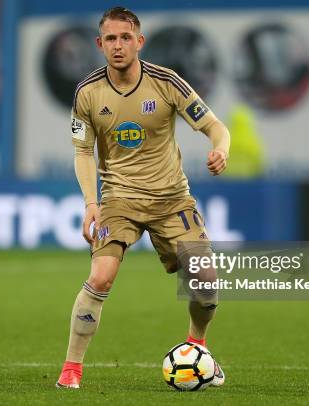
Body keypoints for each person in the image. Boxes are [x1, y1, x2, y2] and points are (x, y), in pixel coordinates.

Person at [57, 7, 230, 389]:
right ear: (99, 44)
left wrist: (222, 149)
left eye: (125, 38)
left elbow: (215, 126)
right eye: (111, 39)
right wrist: (91, 202)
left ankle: (197, 349)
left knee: (205, 283)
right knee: (100, 277)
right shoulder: (87, 93)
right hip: (119, 200)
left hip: (172, 200)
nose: (118, 46)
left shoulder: (167, 82)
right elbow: (83, 152)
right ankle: (71, 370)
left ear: (139, 41)